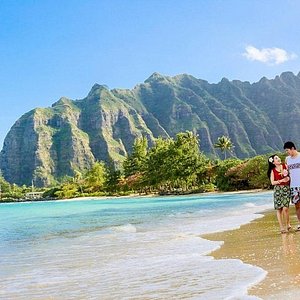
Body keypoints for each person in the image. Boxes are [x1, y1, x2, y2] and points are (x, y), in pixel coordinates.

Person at [267, 154, 291, 233]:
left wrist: (288, 178)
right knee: (279, 209)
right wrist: (281, 181)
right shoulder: (272, 171)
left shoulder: (285, 166)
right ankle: (281, 227)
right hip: (277, 190)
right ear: (273, 162)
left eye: (278, 157)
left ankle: (288, 224)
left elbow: (290, 175)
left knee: (285, 208)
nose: (279, 159)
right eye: (276, 158)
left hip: (286, 189)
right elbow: (272, 182)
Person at [284, 141, 300, 230]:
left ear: (293, 148)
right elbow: (286, 173)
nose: (287, 152)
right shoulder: (287, 159)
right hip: (293, 186)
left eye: (287, 150)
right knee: (297, 205)